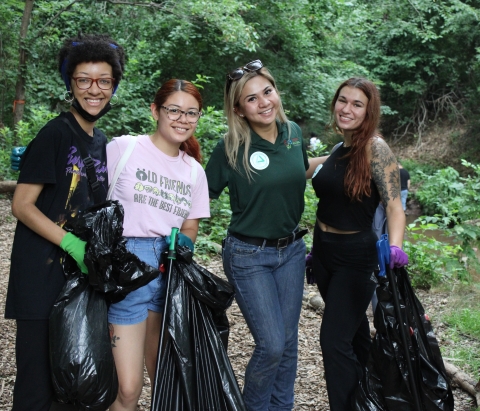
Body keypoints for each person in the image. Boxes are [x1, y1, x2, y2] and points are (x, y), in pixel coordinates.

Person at [5, 34, 125, 411]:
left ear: (113, 86)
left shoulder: (100, 140)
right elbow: (22, 205)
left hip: (80, 283)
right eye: (83, 80)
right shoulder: (54, 134)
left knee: (72, 389)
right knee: (36, 389)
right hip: (41, 279)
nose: (94, 89)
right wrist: (71, 244)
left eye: (104, 80)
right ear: (70, 83)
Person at [205, 59, 309, 411]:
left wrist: (343, 156)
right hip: (249, 255)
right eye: (251, 99)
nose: (264, 102)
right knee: (272, 345)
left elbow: (297, 171)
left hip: (292, 252)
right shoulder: (231, 148)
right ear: (239, 109)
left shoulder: (293, 133)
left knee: (290, 342)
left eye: (267, 91)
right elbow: (197, 193)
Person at [106, 79, 210, 411]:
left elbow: (190, 226)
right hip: (127, 269)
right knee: (128, 389)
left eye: (191, 113)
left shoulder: (194, 172)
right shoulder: (124, 149)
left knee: (167, 383)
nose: (183, 119)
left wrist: (183, 249)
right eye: (174, 110)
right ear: (155, 111)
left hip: (169, 271)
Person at [310, 77, 408, 411]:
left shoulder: (375, 149)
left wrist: (394, 247)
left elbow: (395, 207)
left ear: (369, 112)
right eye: (342, 100)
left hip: (356, 259)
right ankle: (374, 398)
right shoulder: (340, 148)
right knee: (355, 336)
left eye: (356, 104)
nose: (346, 108)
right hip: (323, 255)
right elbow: (301, 169)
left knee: (333, 341)